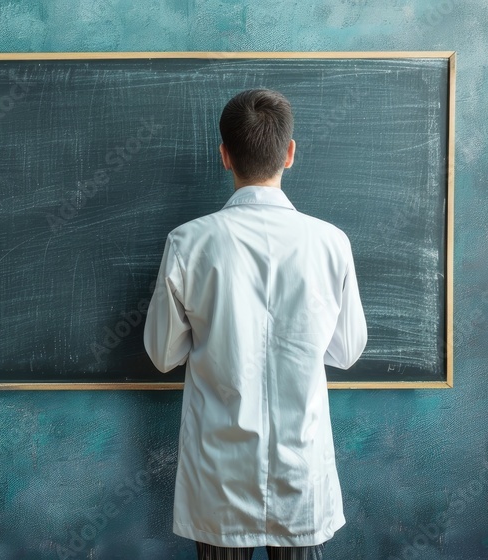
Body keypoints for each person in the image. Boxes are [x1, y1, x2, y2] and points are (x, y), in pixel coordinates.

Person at [143, 89, 368, 560]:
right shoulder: (331, 243)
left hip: (219, 474)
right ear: (290, 152)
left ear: (224, 156)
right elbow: (346, 352)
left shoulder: (188, 243)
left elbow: (164, 356)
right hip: (301, 471)